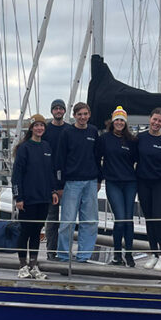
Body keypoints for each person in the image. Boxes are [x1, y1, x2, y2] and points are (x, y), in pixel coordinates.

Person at [11, 114, 59, 279]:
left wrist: (53, 191)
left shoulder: (46, 147)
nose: (39, 128)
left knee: (37, 231)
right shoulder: (24, 148)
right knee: (25, 231)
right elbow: (17, 175)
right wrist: (18, 197)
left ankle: (33, 265)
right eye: (36, 125)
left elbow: (50, 172)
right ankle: (22, 266)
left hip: (43, 198)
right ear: (31, 128)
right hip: (28, 199)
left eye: (42, 125)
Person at [54, 102, 101, 262]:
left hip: (91, 181)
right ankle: (63, 254)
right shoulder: (67, 133)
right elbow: (60, 160)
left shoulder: (93, 131)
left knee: (90, 221)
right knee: (67, 221)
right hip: (71, 183)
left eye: (85, 114)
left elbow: (97, 157)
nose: (82, 117)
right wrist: (59, 185)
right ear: (74, 115)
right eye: (79, 114)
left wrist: (99, 179)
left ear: (89, 115)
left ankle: (84, 255)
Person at [97, 106, 138, 266]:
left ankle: (129, 254)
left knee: (128, 219)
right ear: (112, 122)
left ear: (125, 122)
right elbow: (97, 159)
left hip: (130, 183)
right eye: (117, 120)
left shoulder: (131, 141)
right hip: (113, 183)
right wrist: (99, 178)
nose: (119, 122)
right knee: (120, 219)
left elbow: (137, 160)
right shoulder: (104, 139)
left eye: (122, 120)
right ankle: (117, 255)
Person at [136, 107, 161, 271]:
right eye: (154, 119)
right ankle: (154, 254)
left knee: (158, 219)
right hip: (143, 184)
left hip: (159, 185)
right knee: (149, 220)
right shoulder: (140, 138)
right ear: (149, 119)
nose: (156, 123)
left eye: (160, 121)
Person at [41, 99, 69, 259]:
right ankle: (51, 252)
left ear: (64, 111)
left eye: (61, 108)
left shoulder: (69, 129)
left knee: (67, 220)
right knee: (51, 219)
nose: (58, 111)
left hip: (68, 182)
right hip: (49, 181)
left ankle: (64, 252)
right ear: (52, 111)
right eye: (56, 108)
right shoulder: (46, 130)